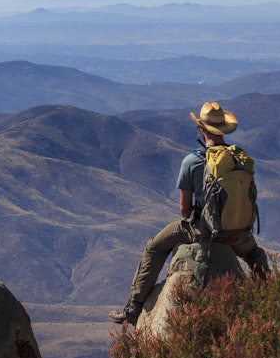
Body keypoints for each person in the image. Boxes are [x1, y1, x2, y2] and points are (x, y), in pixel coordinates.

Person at [109, 101, 270, 326]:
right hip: (238, 234)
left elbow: (185, 210)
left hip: (204, 232)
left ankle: (134, 307)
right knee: (255, 256)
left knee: (154, 247)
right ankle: (272, 301)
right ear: (223, 130)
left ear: (201, 130)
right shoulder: (239, 159)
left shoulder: (193, 161)